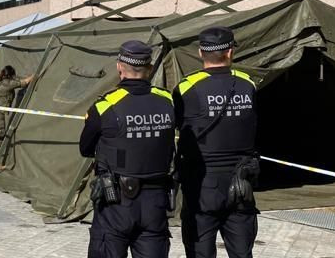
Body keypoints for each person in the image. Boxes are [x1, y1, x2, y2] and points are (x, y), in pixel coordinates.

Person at [79, 40, 176, 258]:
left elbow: (85, 148)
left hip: (115, 203)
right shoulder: (167, 101)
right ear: (149, 69)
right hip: (155, 202)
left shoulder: (105, 105)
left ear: (119, 67)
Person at [174, 27, 259, 258]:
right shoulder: (247, 84)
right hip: (241, 184)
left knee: (200, 252)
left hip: (202, 184)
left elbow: (179, 126)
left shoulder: (187, 87)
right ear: (230, 52)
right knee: (242, 253)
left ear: (201, 52)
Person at [0, 65, 33, 168]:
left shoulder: (1, 81)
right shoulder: (8, 83)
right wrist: (34, 76)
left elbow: (17, 79)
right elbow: (24, 82)